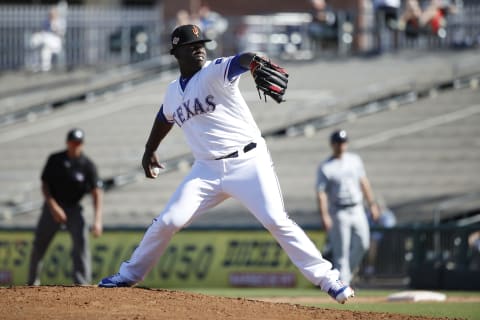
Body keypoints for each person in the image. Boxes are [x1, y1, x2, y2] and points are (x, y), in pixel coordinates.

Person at [98, 24, 354, 304]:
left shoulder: (214, 71)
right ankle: (128, 275)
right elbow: (164, 117)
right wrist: (149, 149)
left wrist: (254, 61)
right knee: (169, 220)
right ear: (176, 53)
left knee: (276, 220)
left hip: (248, 161)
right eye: (191, 46)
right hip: (206, 170)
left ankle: (330, 280)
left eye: (201, 44)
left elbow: (242, 59)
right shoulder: (172, 92)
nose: (199, 48)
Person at [28, 128, 103, 285]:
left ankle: (82, 283)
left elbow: (97, 193)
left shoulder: (88, 165)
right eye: (73, 142)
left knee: (81, 242)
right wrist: (53, 206)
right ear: (67, 142)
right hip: (52, 207)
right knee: (39, 244)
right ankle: (32, 282)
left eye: (78, 143)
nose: (75, 145)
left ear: (82, 144)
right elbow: (45, 185)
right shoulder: (55, 160)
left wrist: (97, 221)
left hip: (74, 208)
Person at [316, 129, 380, 285]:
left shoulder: (354, 160)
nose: (341, 145)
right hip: (338, 211)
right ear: (333, 145)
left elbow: (364, 182)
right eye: (338, 142)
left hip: (357, 208)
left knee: (363, 244)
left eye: (343, 142)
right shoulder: (326, 166)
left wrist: (372, 204)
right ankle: (342, 285)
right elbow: (321, 193)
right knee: (341, 253)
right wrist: (324, 215)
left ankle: (344, 277)